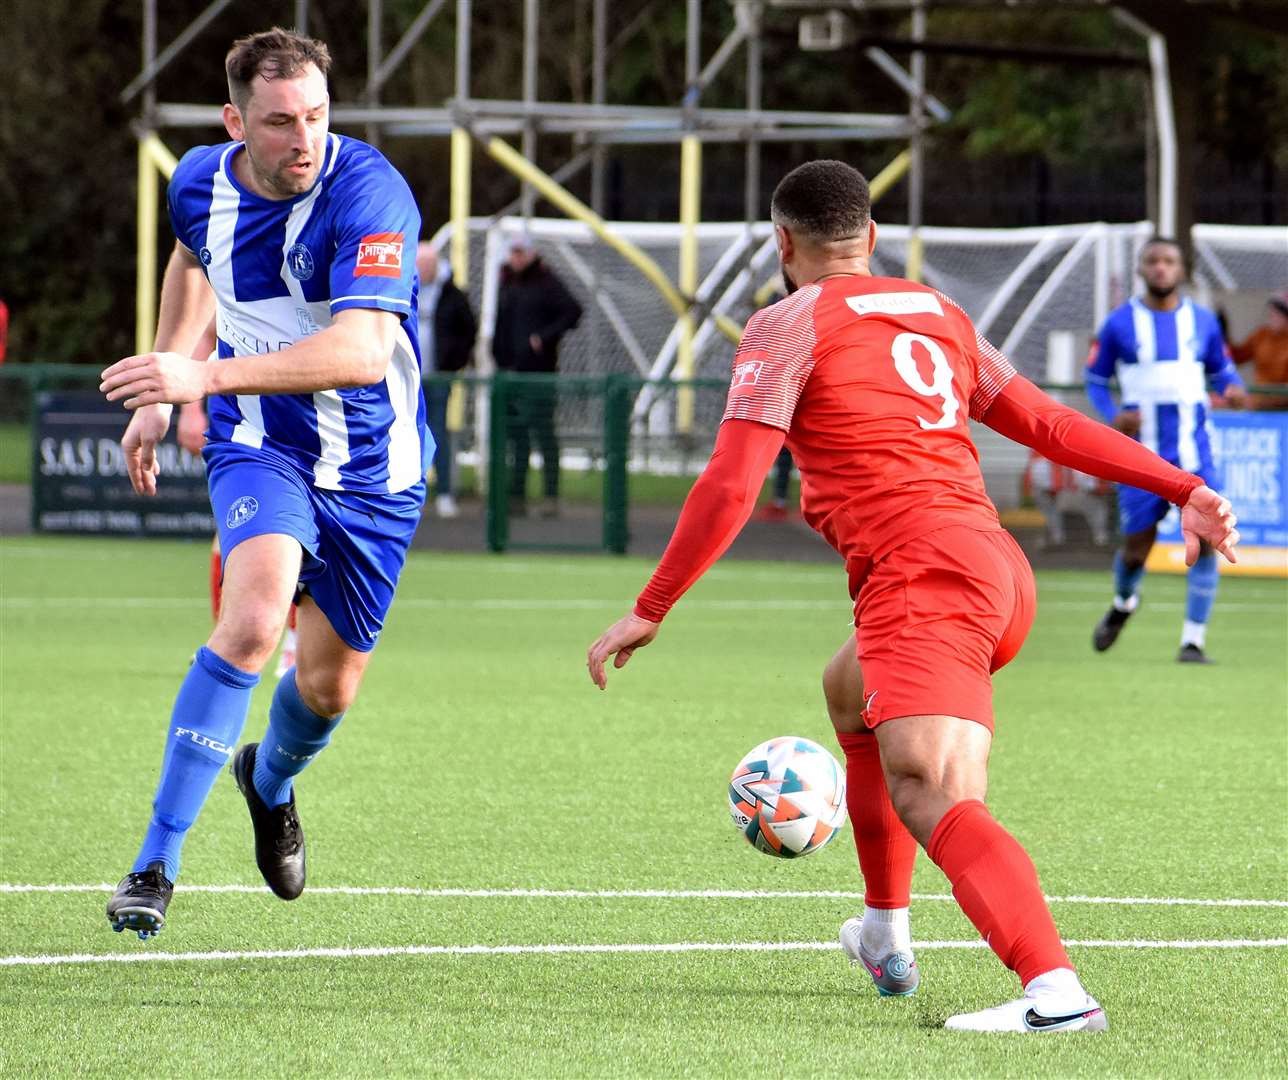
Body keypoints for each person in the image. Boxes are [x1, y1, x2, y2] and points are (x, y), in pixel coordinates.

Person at [586, 160, 1238, 1033]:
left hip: (922, 578)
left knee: (929, 790)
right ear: (873, 238)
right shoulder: (940, 313)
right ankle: (885, 934)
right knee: (847, 691)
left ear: (783, 244)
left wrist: (653, 604)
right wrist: (1179, 484)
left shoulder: (788, 324)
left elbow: (732, 484)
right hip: (994, 569)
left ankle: (1056, 991)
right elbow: (1048, 422)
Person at [99, 27, 428, 939]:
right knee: (248, 622)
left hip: (373, 467)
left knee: (327, 691)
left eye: (318, 115)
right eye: (281, 122)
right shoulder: (200, 179)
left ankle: (268, 779)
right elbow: (194, 256)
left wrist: (196, 377)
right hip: (261, 446)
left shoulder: (369, 192)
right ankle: (155, 863)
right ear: (235, 121)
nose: (304, 138)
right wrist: (166, 383)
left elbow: (362, 354)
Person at [1086, 237, 1245, 663]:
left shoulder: (1204, 322)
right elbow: (1096, 381)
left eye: (1169, 261)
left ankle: (1192, 641)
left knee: (1209, 538)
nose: (1160, 268)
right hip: (1141, 458)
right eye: (1153, 261)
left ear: (1181, 270)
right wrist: (1113, 413)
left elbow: (1223, 370)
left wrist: (1234, 389)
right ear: (1141, 269)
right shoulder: (1119, 324)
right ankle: (1123, 604)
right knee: (1138, 547)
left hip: (1196, 456)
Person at [492, 231, 582, 517]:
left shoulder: (546, 281)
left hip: (540, 373)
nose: (516, 257)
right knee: (516, 435)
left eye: (521, 252)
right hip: (511, 372)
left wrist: (543, 338)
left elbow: (573, 311)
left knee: (543, 434)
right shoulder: (506, 281)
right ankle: (515, 496)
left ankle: (551, 497)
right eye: (513, 252)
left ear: (530, 253)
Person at [415, 242, 478, 518]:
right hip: (407, 379)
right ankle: (404, 496)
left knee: (438, 432)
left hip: (439, 376)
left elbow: (468, 330)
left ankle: (444, 493)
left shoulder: (452, 294)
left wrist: (454, 362)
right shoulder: (402, 288)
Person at [1231, 290, 1288, 410]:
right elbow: (1237, 357)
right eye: (1273, 310)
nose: (1273, 315)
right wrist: (1223, 336)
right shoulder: (1262, 335)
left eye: (1280, 311)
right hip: (1259, 406)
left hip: (1282, 410)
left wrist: (1263, 402)